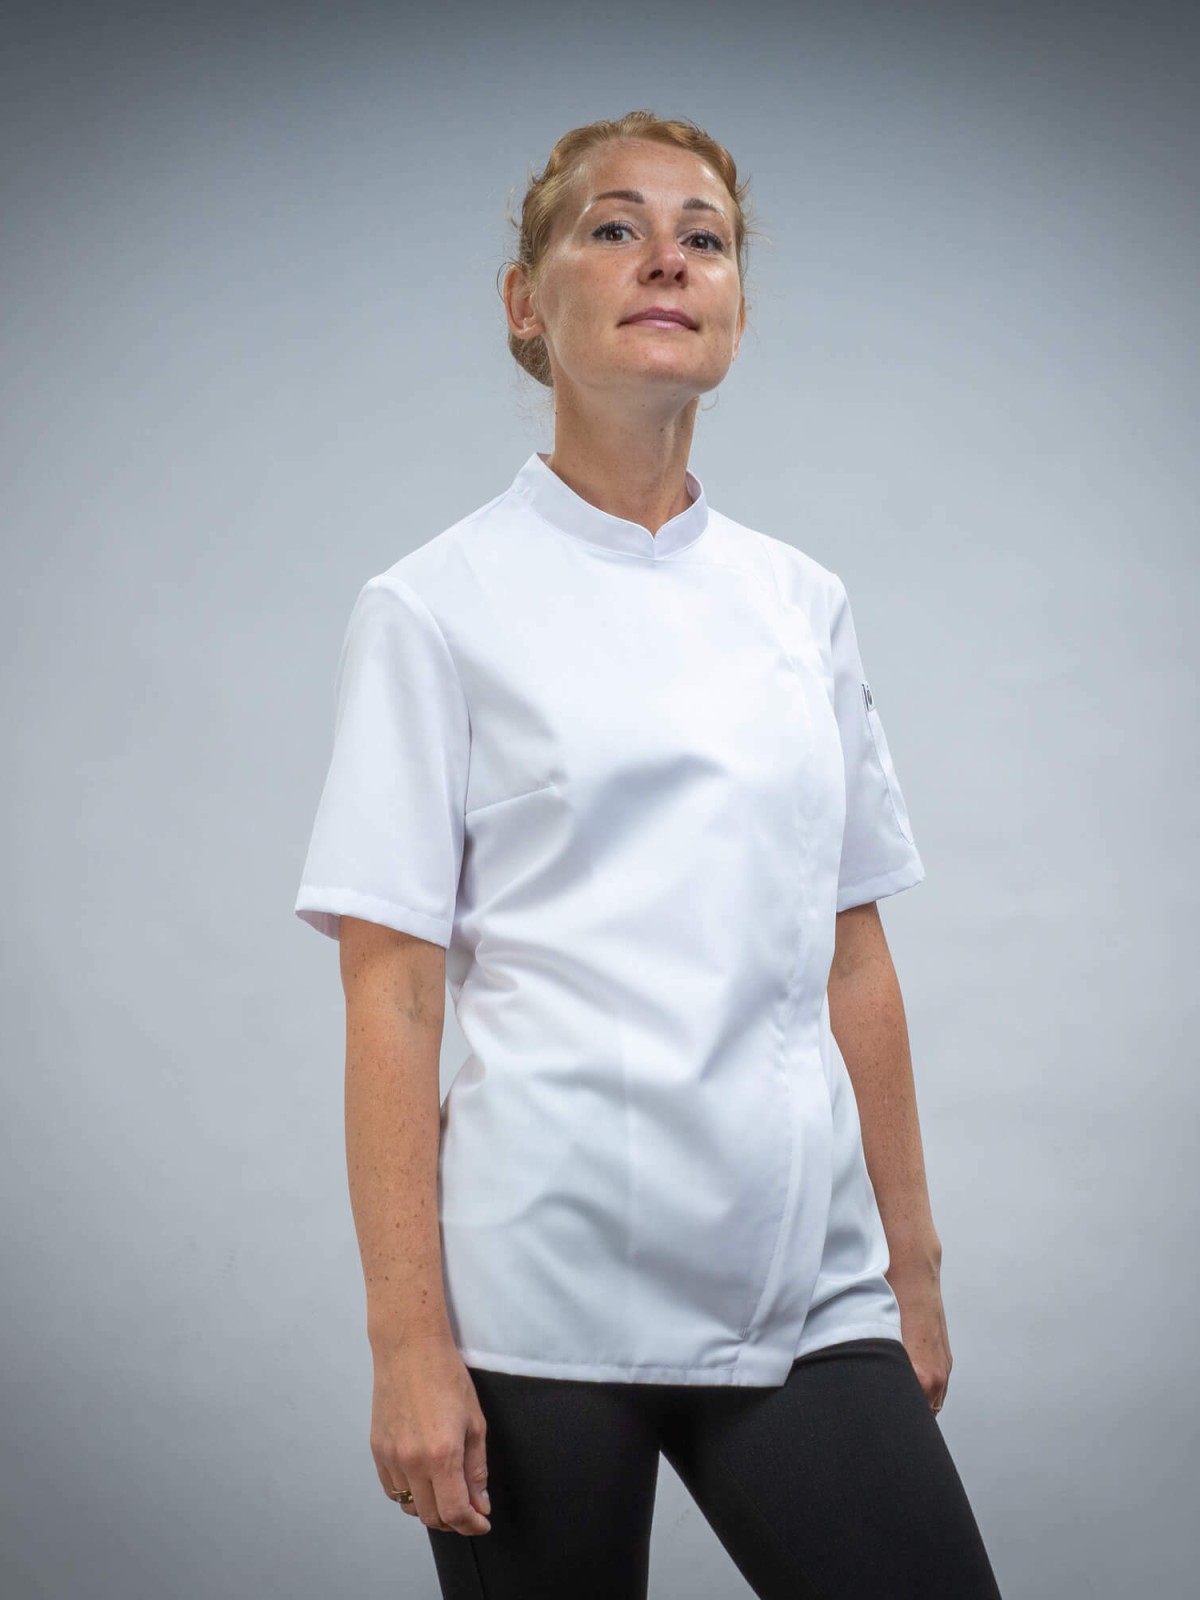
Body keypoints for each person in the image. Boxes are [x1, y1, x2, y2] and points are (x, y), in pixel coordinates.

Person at [293, 110, 1004, 1599]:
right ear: (525, 301)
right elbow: (394, 996)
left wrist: (911, 1271)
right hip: (537, 1293)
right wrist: (407, 1340)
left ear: (737, 303)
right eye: (614, 227)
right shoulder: (434, 608)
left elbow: (853, 954)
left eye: (706, 237)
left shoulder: (801, 605)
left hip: (802, 1280)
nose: (667, 258)